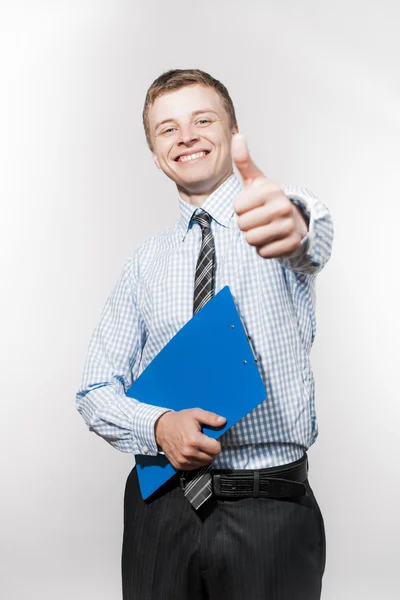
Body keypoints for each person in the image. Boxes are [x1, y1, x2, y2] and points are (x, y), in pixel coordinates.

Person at [76, 68, 333, 600]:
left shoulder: (272, 223)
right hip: (161, 513)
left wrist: (297, 220)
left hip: (269, 514)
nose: (186, 136)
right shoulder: (144, 263)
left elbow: (310, 238)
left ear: (233, 133)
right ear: (155, 153)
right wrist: (158, 425)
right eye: (167, 129)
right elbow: (94, 390)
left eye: (202, 120)